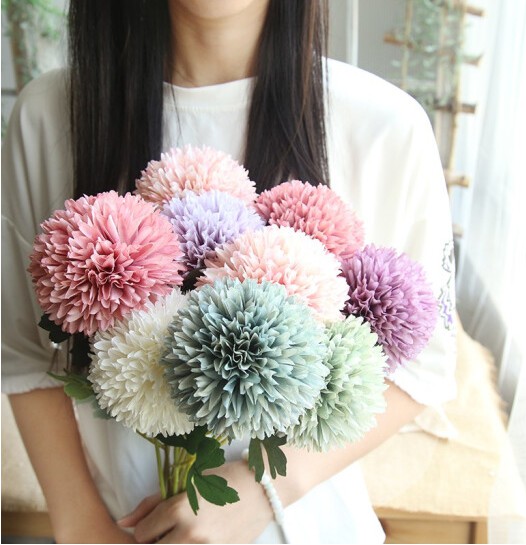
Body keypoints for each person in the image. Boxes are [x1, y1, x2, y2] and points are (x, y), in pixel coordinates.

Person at [1, 0, 457, 543]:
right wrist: (82, 526)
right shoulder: (52, 114)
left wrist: (264, 488)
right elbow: (25, 352)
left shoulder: (384, 124)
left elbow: (423, 363)